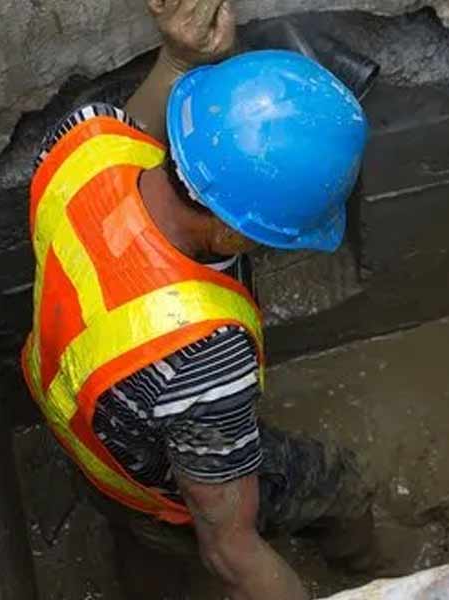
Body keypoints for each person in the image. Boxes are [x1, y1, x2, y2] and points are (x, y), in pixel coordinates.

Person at [21, 1, 373, 598]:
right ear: (233, 233)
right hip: (158, 485)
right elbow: (231, 553)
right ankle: (372, 565)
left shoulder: (82, 142)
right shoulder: (205, 355)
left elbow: (132, 132)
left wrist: (180, 57)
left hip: (88, 426)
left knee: (155, 544)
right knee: (337, 488)